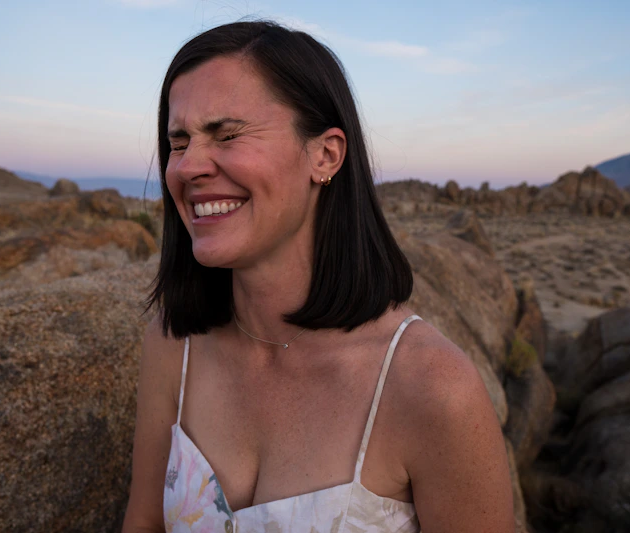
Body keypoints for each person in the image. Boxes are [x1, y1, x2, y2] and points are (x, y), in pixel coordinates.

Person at [122, 20, 515, 533]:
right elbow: (145, 522)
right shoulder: (176, 346)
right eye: (179, 142)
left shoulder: (431, 388)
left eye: (227, 133)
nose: (188, 166)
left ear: (325, 154)